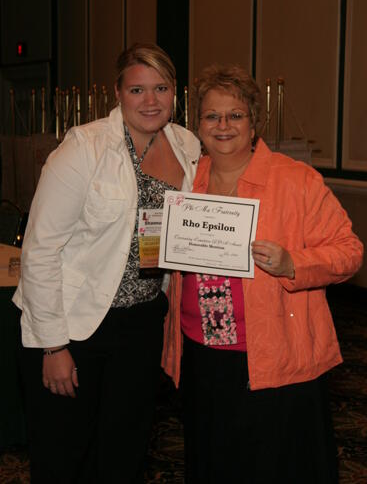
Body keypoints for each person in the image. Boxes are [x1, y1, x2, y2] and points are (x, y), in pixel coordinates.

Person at [161, 64, 364, 484]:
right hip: (202, 355)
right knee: (215, 462)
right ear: (197, 124)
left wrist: (294, 264)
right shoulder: (186, 180)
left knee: (273, 466)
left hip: (273, 356)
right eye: (211, 116)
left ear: (254, 123)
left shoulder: (296, 181)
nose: (223, 126)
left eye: (235, 115)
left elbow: (349, 251)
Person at [13, 43, 201, 483]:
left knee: (124, 452)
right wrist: (53, 346)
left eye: (161, 88)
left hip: (141, 323)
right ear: (117, 92)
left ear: (176, 92)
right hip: (73, 324)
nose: (150, 101)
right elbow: (39, 251)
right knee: (65, 455)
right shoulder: (84, 148)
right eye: (137, 89)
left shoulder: (187, 144)